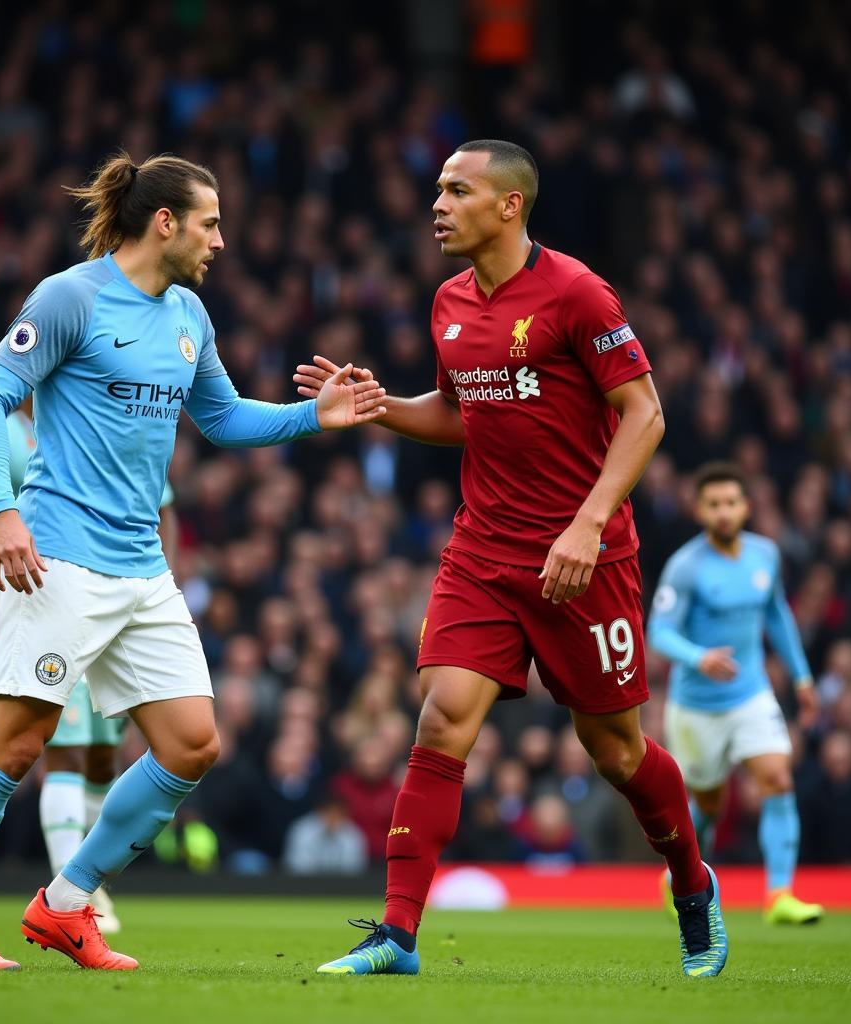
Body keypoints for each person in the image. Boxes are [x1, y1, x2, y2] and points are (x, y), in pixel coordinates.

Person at [0, 151, 386, 972]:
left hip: (142, 565)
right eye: (210, 223)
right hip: (57, 557)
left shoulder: (189, 315)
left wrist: (317, 415)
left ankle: (65, 906)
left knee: (193, 743)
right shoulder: (72, 296)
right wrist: (0, 511)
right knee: (17, 745)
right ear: (164, 222)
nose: (221, 240)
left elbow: (226, 419)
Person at [295, 139, 727, 978]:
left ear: (509, 206)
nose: (438, 205)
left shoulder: (576, 292)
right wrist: (378, 407)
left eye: (458, 191)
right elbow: (463, 414)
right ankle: (397, 936)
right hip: (484, 549)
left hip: (585, 559)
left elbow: (645, 414)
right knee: (442, 716)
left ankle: (690, 880)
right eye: (437, 190)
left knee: (617, 753)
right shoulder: (449, 301)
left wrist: (589, 524)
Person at [0, 402, 179, 934]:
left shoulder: (102, 412)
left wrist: (165, 587)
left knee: (102, 757)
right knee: (58, 750)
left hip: (123, 597)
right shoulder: (5, 432)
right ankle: (65, 896)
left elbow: (166, 509)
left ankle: (84, 884)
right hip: (51, 605)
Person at [647, 461, 823, 924]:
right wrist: (697, 657)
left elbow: (778, 617)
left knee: (777, 779)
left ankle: (779, 895)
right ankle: (678, 877)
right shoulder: (686, 567)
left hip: (751, 695)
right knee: (707, 803)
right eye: (713, 504)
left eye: (731, 502)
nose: (723, 512)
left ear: (746, 506)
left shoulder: (765, 555)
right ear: (699, 510)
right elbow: (659, 632)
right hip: (697, 706)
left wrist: (802, 676)